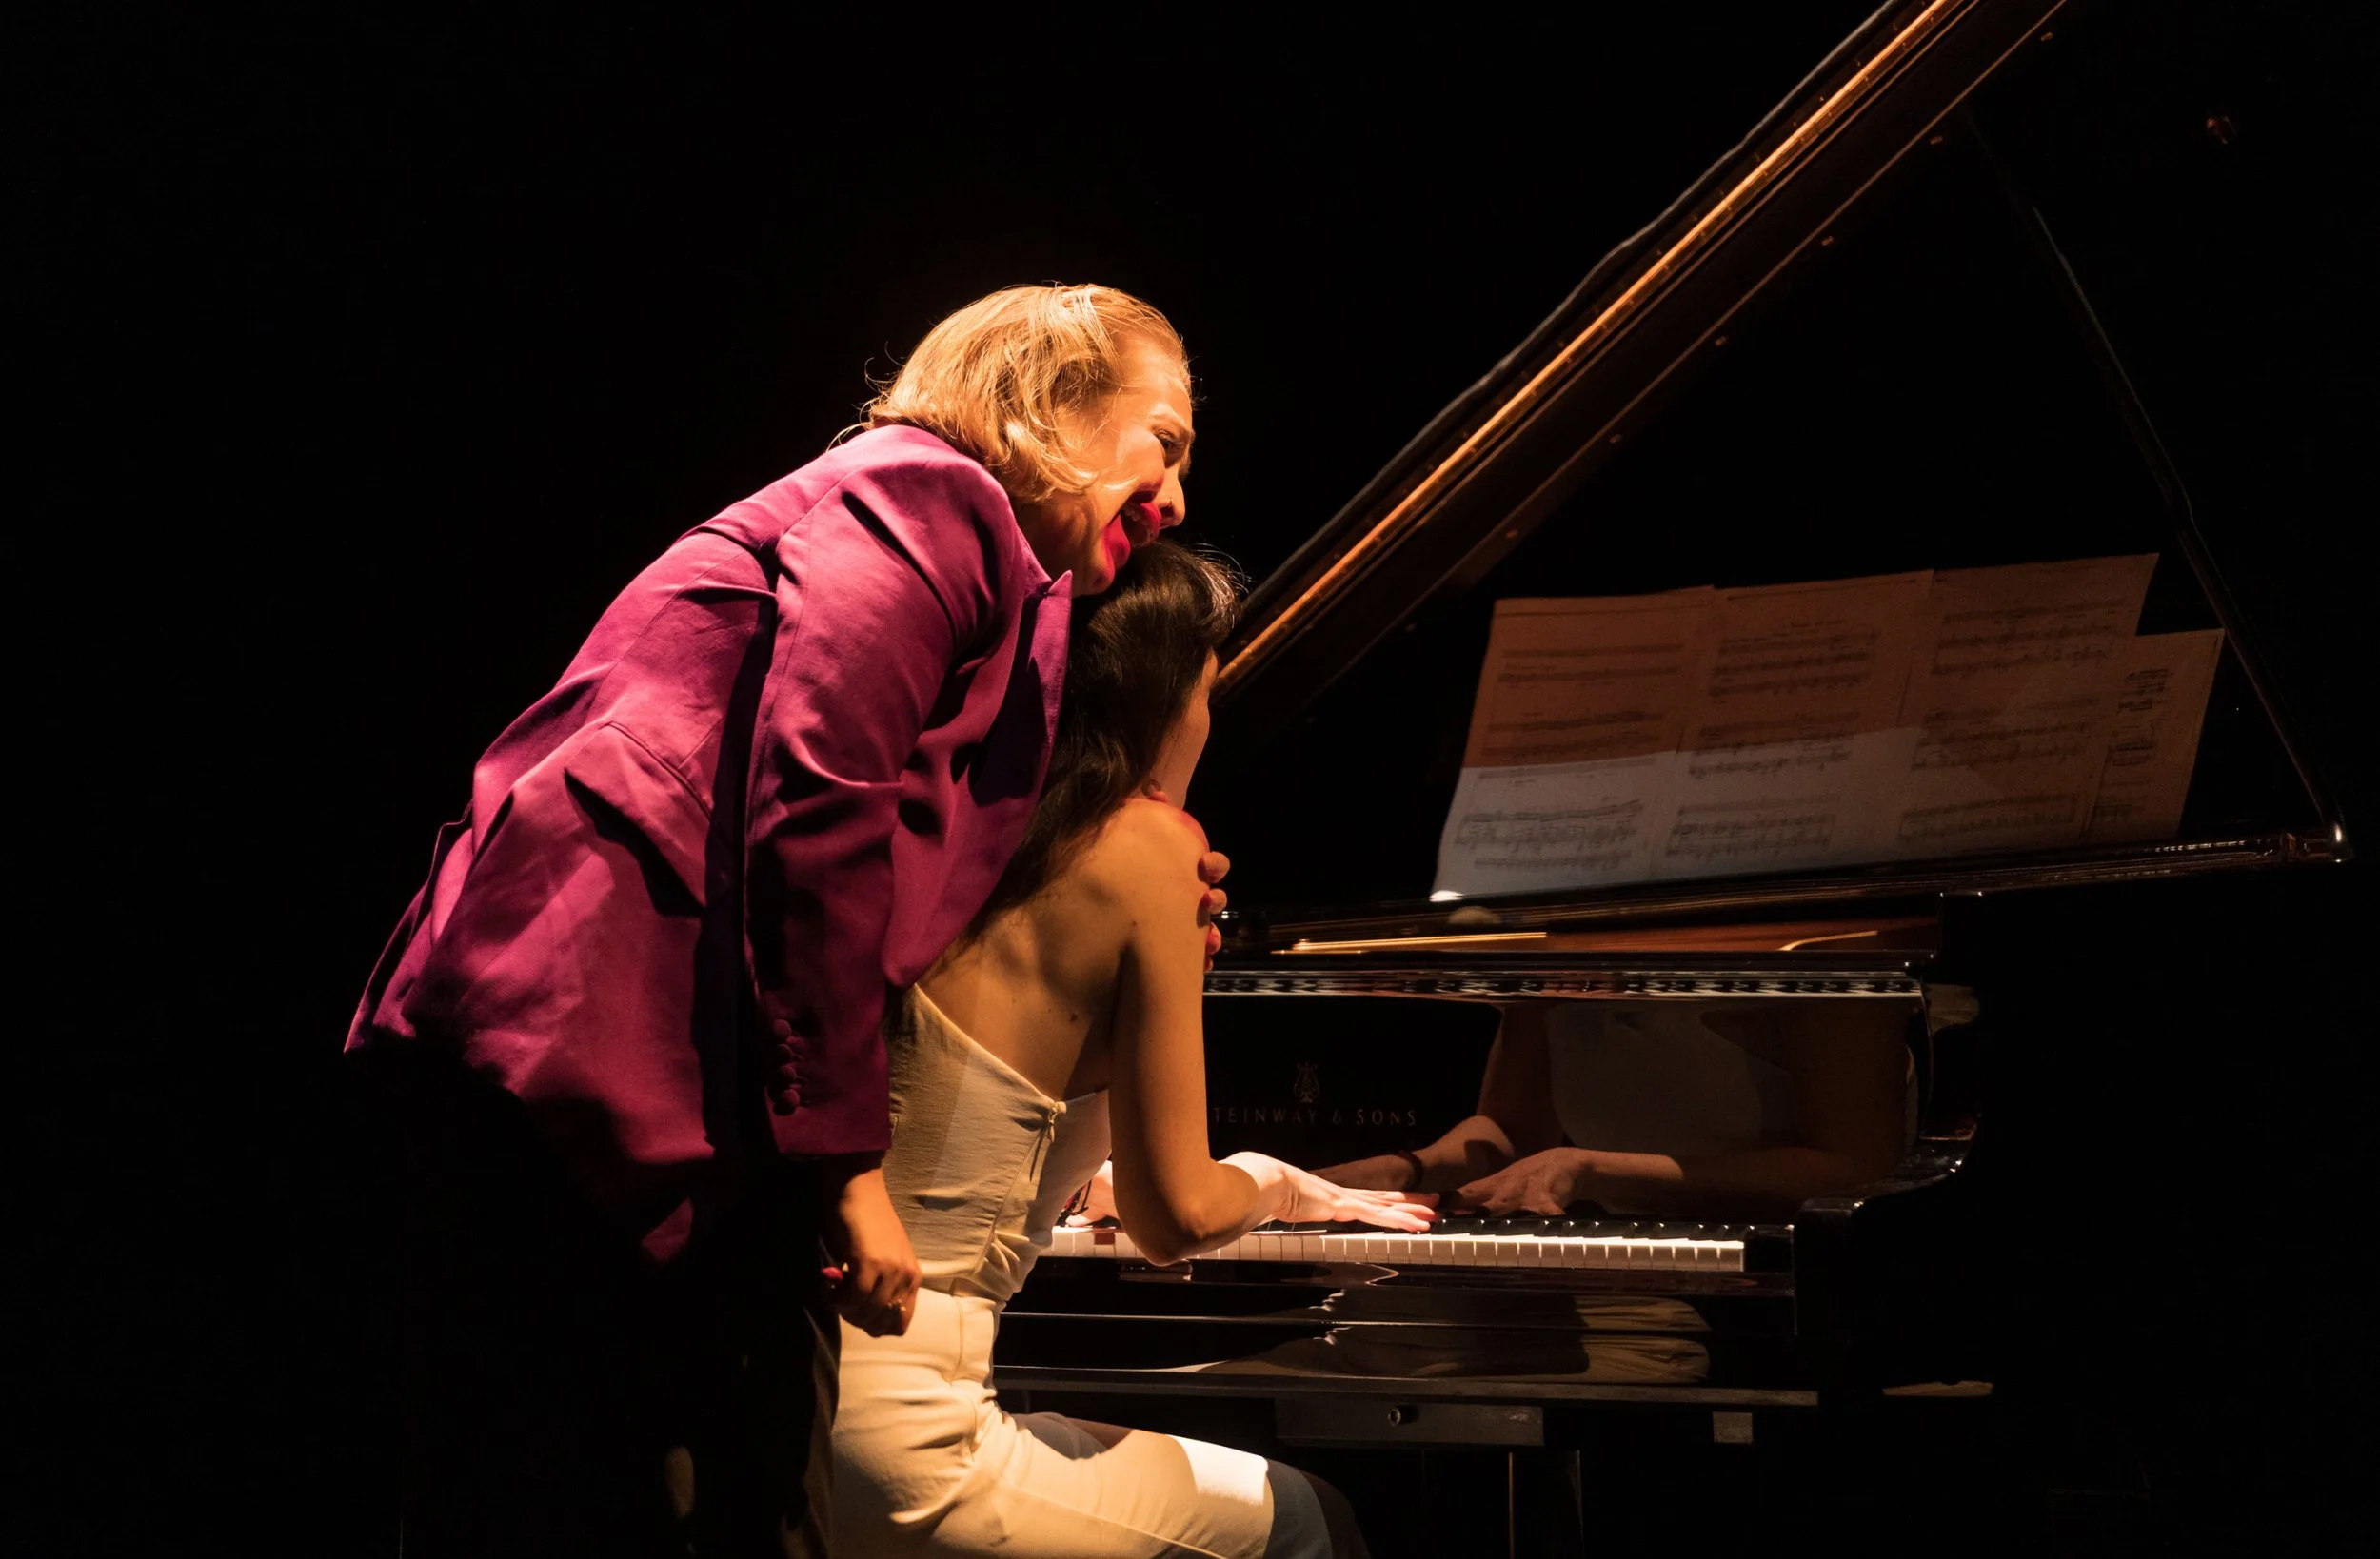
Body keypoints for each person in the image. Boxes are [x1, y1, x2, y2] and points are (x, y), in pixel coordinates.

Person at [346, 284, 1226, 1557]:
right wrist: (848, 1170)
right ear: (1050, 409)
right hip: (583, 1037)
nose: (1179, 496)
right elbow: (813, 806)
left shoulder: (977, 554)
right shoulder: (928, 498)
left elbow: (892, 833)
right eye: (1167, 440)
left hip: (619, 1051)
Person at [834, 541, 1436, 1558]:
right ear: (1163, 696)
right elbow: (1178, 1220)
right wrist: (1273, 1182)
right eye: (1207, 692)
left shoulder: (945, 832)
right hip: (910, 1446)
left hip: (786, 1406)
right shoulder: (1151, 845)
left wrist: (1081, 1173)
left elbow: (957, 1113)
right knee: (1311, 1524)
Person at [1315, 998, 1917, 1218]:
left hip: (1787, 1270)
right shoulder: (1560, 943)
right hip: (1609, 1260)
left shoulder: (1820, 956)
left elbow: (1854, 1170)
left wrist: (1590, 1168)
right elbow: (1511, 1131)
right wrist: (1406, 1170)